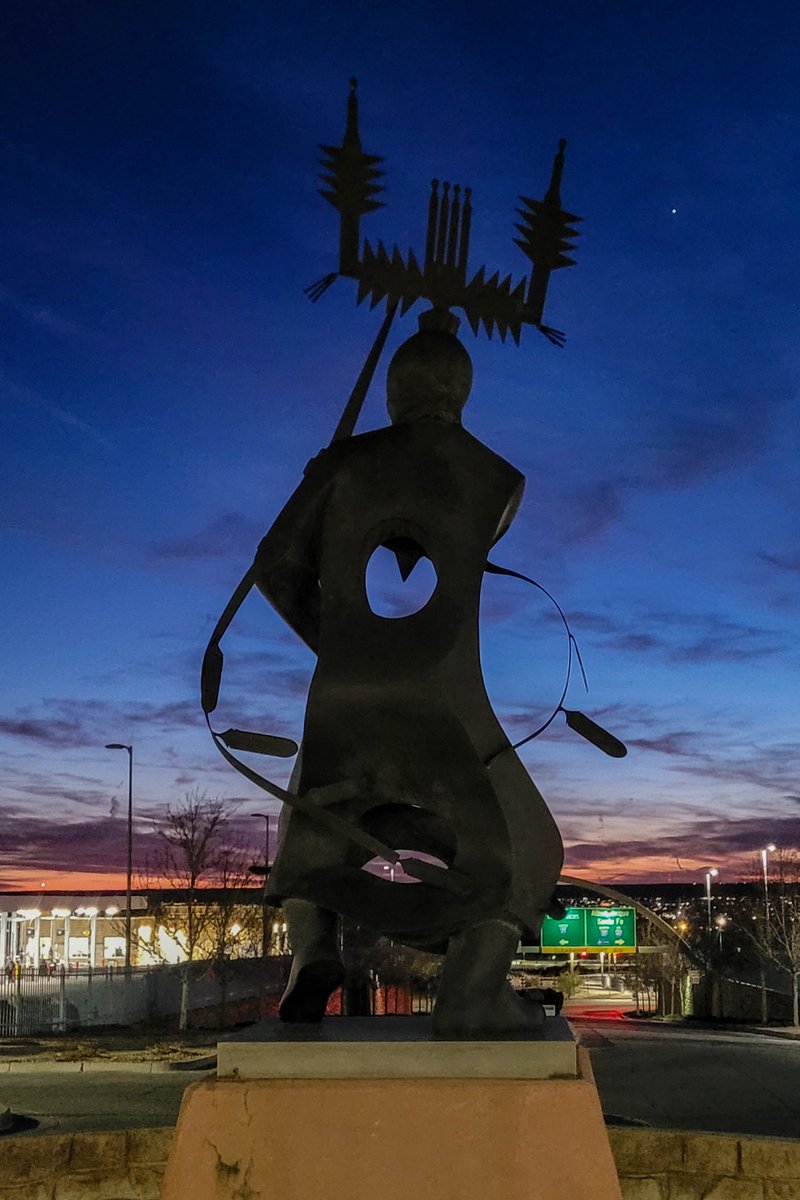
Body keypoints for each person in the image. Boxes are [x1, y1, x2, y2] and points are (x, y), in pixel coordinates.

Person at [255, 310, 563, 1036]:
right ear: (461, 390)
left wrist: (345, 647)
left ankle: (313, 953)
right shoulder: (497, 478)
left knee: (318, 812)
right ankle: (473, 989)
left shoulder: (340, 464)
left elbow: (274, 567)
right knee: (530, 842)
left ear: (393, 388)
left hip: (341, 691)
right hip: (446, 695)